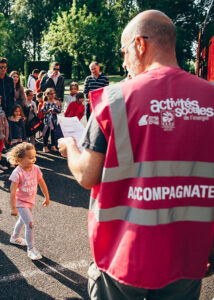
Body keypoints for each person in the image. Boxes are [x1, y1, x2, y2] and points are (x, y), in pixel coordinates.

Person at [59, 10, 214, 300]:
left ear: (140, 45)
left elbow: (87, 174)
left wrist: (70, 146)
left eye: (124, 51)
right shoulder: (211, 98)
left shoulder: (113, 98)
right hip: (186, 255)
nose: (123, 61)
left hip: (123, 254)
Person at [7, 142, 49, 260]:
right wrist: (13, 208)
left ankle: (15, 237)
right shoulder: (17, 172)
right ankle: (31, 249)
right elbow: (13, 191)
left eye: (34, 157)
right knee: (30, 224)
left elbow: (42, 183)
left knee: (22, 220)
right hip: (21, 203)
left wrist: (47, 197)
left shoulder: (36, 169)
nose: (33, 160)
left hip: (30, 201)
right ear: (20, 160)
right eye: (30, 158)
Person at [41, 88, 62, 153]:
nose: (52, 95)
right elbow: (43, 111)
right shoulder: (45, 103)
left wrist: (55, 111)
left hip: (54, 120)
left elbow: (60, 110)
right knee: (46, 133)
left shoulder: (57, 102)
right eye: (50, 94)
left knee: (53, 133)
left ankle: (53, 145)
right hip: (47, 120)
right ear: (47, 95)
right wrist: (48, 111)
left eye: (53, 93)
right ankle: (45, 146)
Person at [0, 96, 9, 172]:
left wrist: (6, 134)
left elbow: (5, 124)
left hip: (1, 134)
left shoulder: (2, 111)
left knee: (0, 150)